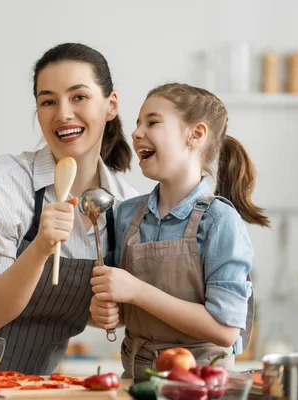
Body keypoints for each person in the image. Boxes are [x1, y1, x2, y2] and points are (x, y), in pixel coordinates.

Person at [0, 43, 139, 375]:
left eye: (78, 97)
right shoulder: (1, 184)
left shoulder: (126, 207)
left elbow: (96, 311)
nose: (63, 113)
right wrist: (40, 247)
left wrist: (111, 312)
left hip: (35, 384)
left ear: (111, 105)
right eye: (48, 101)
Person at [89, 82, 270, 381]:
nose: (135, 133)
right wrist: (107, 311)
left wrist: (136, 290)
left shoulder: (219, 220)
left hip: (201, 383)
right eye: (137, 124)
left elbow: (224, 330)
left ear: (195, 135)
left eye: (153, 122)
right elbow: (126, 306)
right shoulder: (126, 214)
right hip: (135, 380)